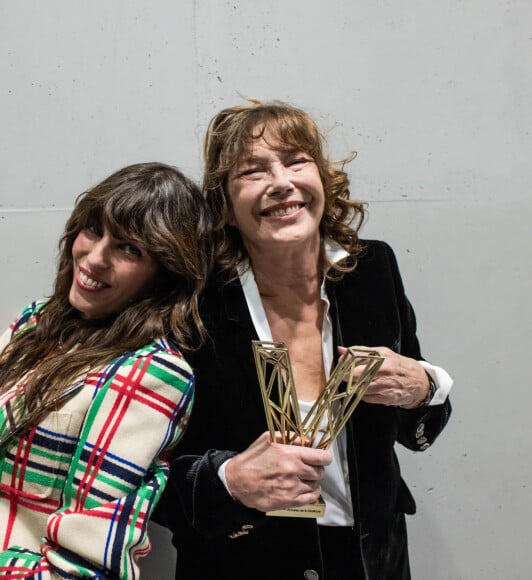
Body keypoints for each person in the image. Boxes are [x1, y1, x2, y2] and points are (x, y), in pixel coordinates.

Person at [153, 99, 453, 580]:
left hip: (371, 559)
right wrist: (228, 481)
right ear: (226, 207)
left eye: (296, 161)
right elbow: (142, 477)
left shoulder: (372, 271)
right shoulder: (191, 304)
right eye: (251, 171)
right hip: (245, 564)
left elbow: (417, 427)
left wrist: (423, 387)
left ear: (322, 179)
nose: (280, 181)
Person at [0, 162, 213, 579]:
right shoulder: (37, 323)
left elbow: (81, 573)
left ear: (166, 273)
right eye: (92, 230)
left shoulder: (149, 374)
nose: (93, 258)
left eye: (130, 249)